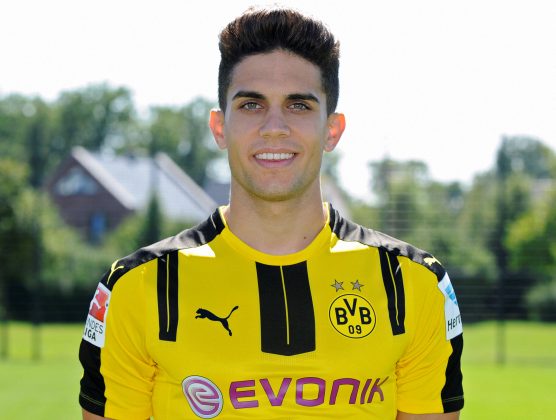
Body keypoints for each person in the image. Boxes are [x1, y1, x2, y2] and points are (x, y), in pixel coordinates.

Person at [79, 6, 464, 420]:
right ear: (219, 127)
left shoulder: (411, 284)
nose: (274, 127)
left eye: (298, 106)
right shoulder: (139, 287)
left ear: (332, 129)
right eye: (251, 105)